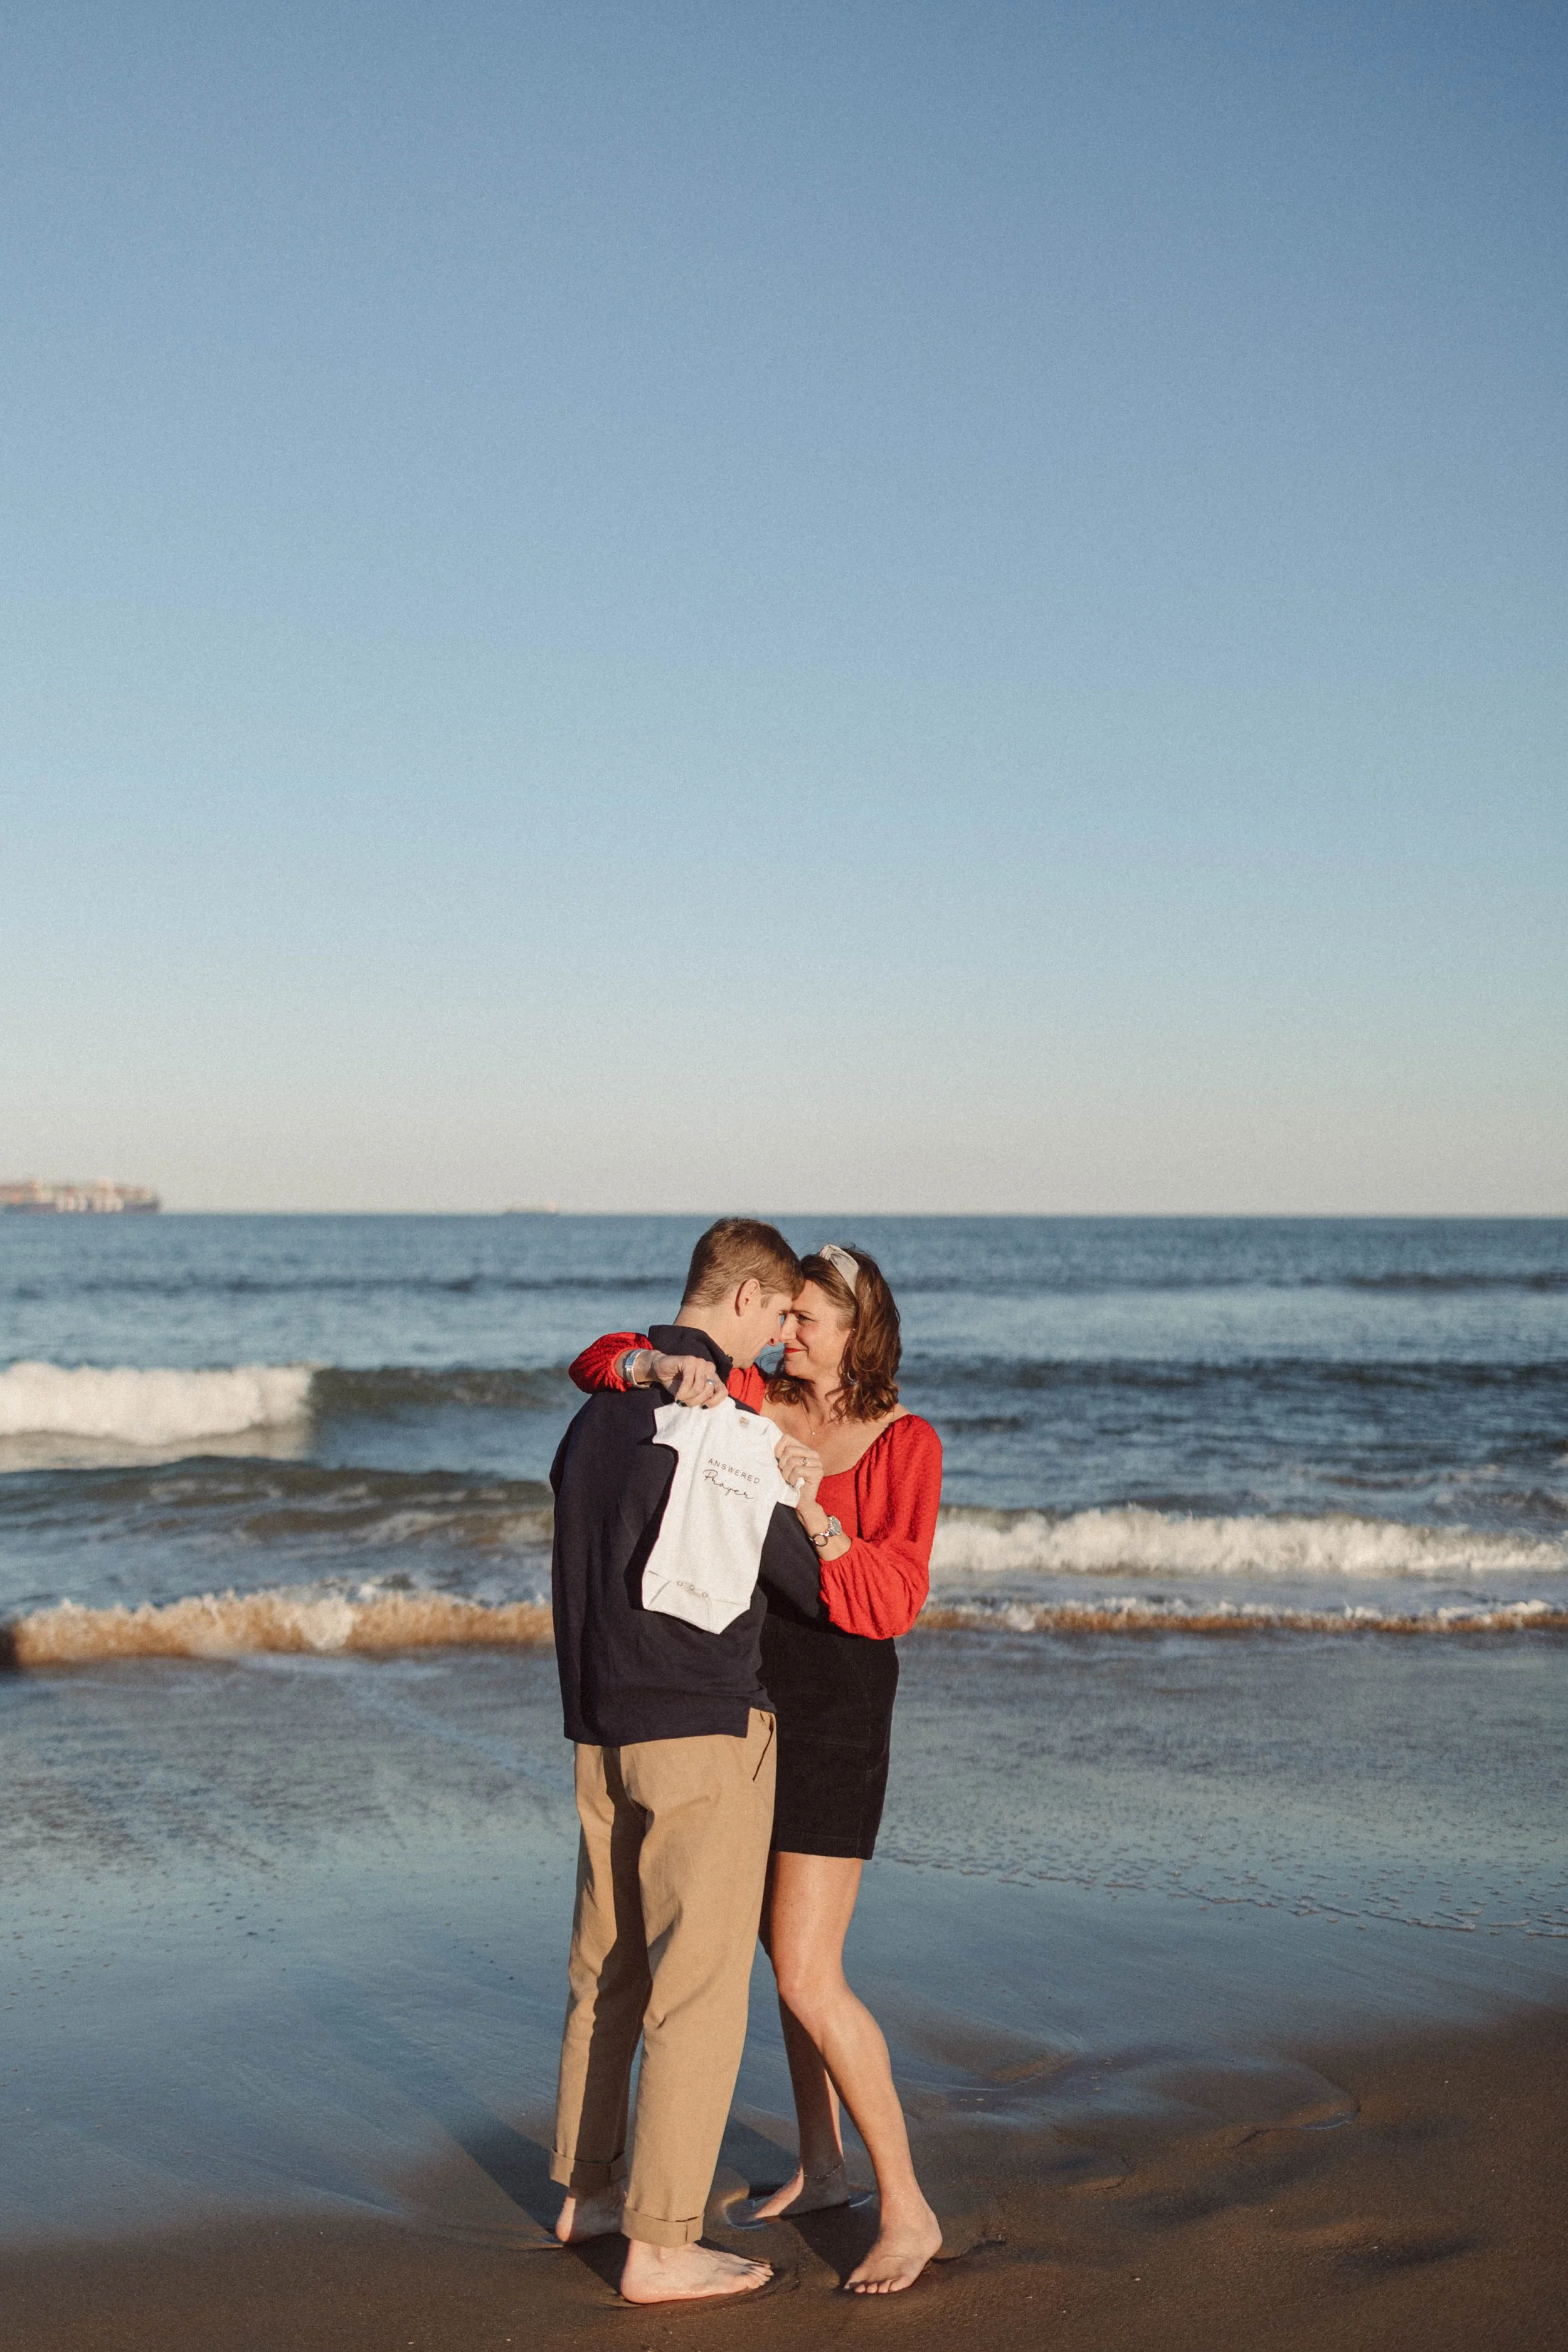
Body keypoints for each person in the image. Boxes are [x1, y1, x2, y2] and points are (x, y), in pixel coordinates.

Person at [568, 1242, 945, 2294]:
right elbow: (599, 1359)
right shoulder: (751, 1392)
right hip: (752, 1692)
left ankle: (909, 2207)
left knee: (808, 1969)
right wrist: (656, 1370)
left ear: (858, 1331)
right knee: (776, 1949)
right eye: (786, 1317)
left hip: (838, 1706)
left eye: (810, 1320)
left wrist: (816, 1512)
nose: (789, 1334)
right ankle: (822, 2165)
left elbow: (891, 1602)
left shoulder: (908, 1441)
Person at [548, 1217, 825, 2306]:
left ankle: (585, 2188)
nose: (777, 1340)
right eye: (780, 1314)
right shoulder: (723, 1417)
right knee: (696, 1988)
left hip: (600, 1722)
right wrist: (806, 1495)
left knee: (606, 1969)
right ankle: (660, 2243)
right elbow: (798, 1579)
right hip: (703, 1726)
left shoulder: (596, 1413)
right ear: (749, 1299)